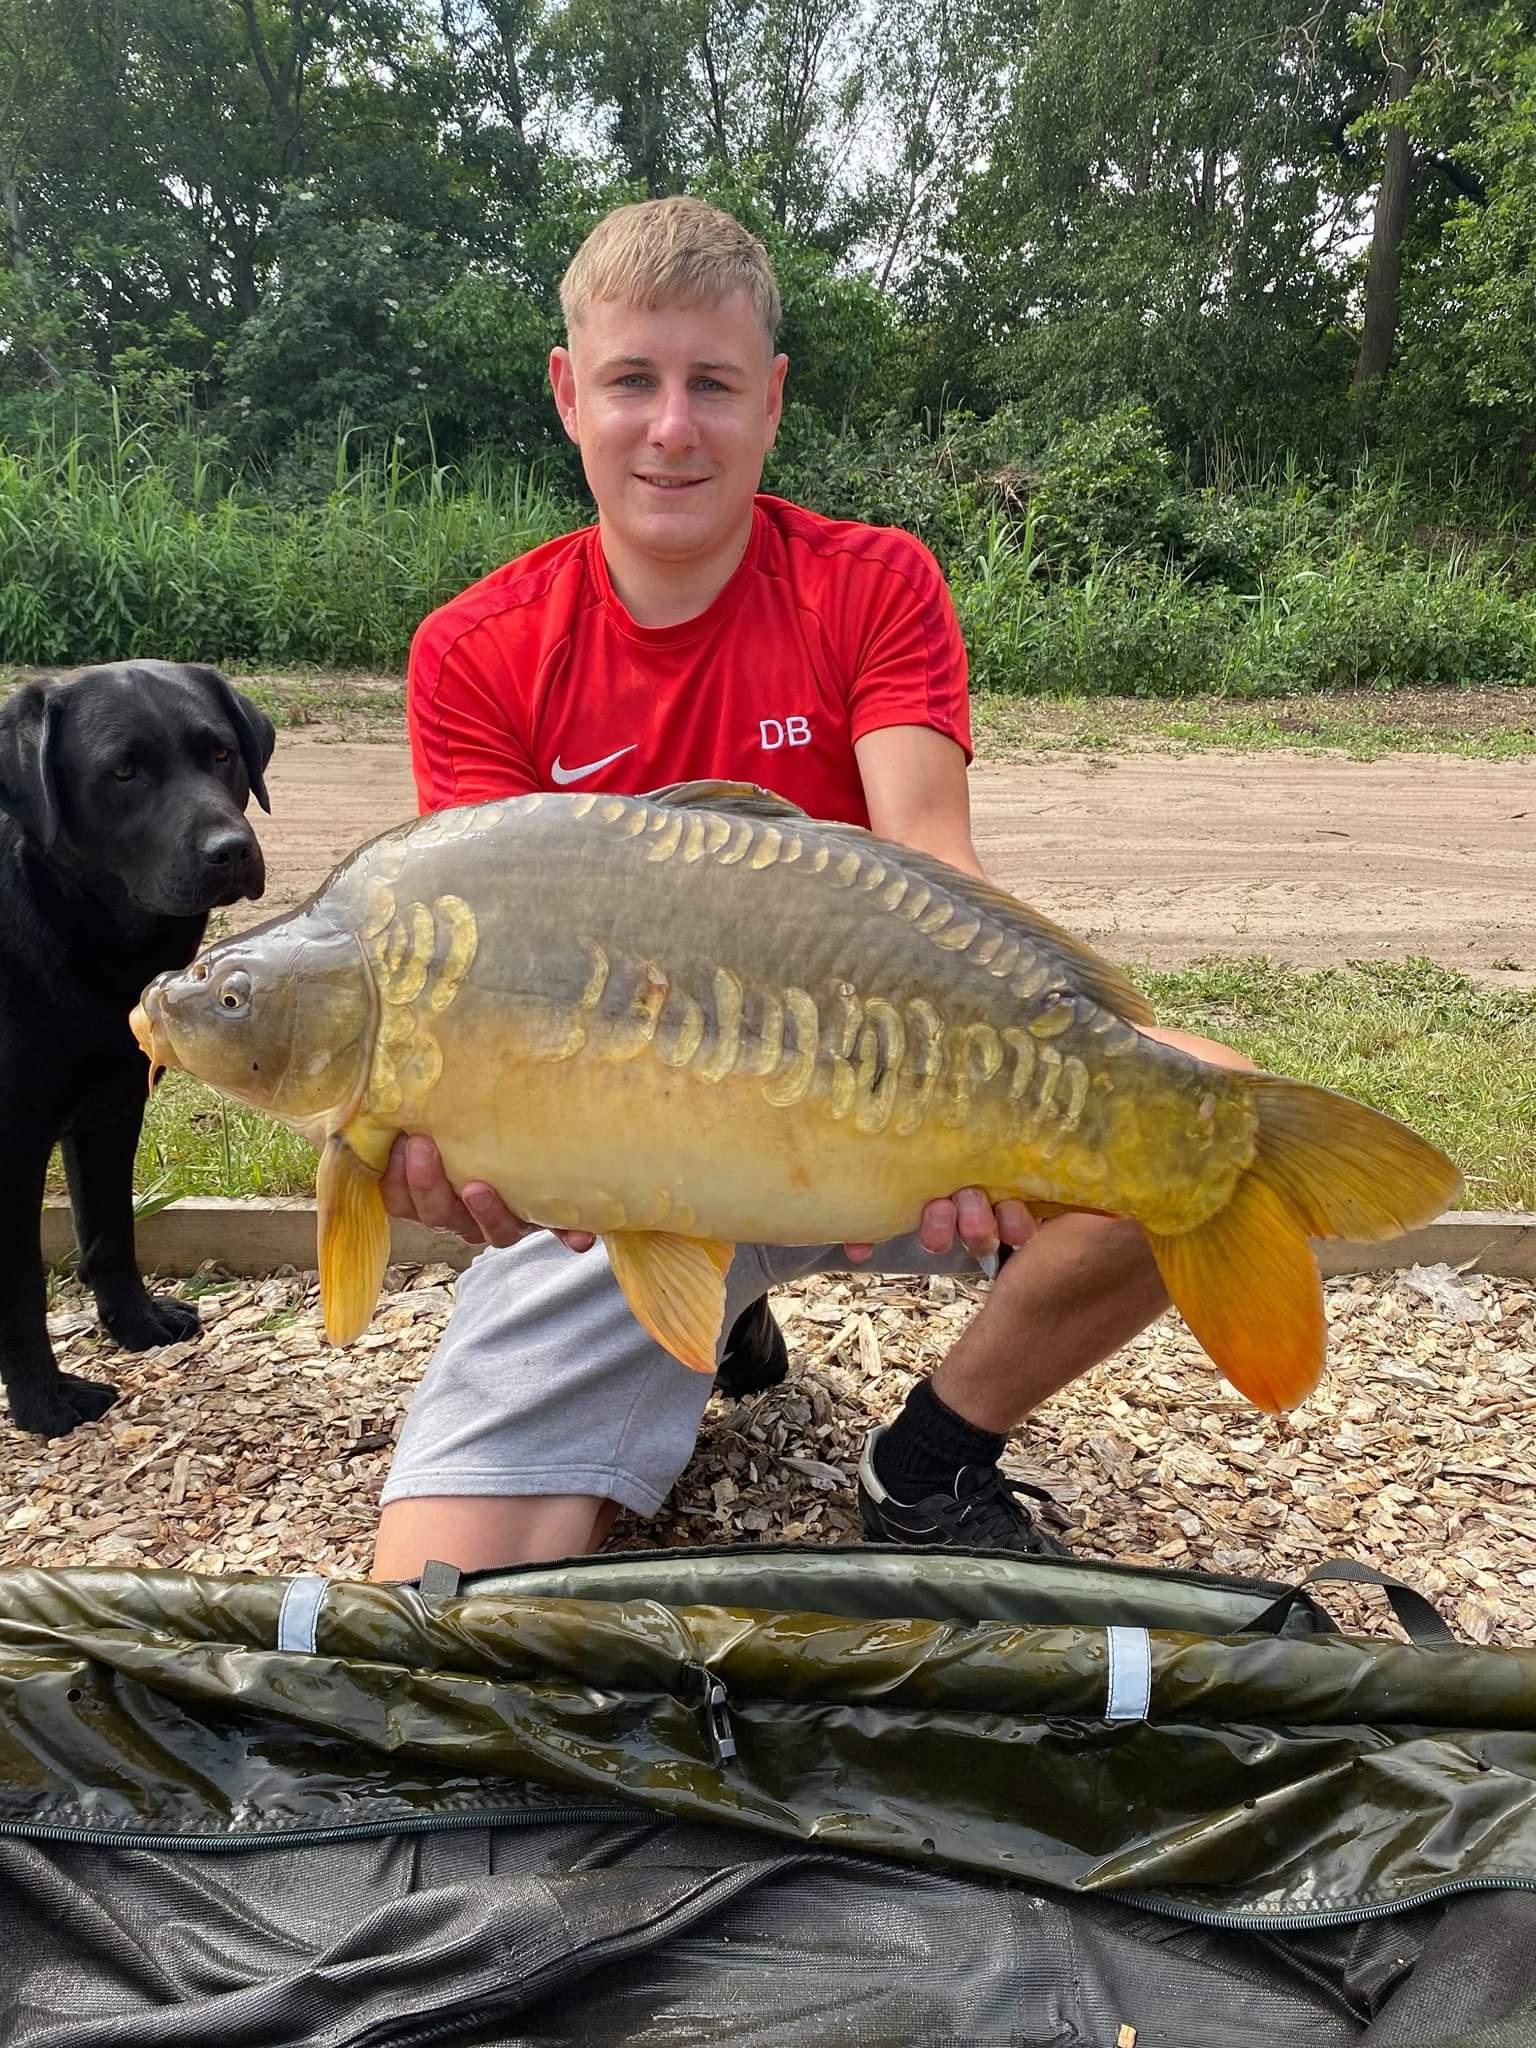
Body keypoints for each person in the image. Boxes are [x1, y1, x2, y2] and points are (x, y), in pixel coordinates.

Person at [370, 195, 1253, 1581]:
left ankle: (932, 1456)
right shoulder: (474, 651)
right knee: (448, 1594)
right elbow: (486, 982)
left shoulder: (871, 583)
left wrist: (997, 1105)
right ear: (568, 394)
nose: (673, 428)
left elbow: (932, 863)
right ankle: (711, 1317)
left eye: (714, 385)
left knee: (1208, 1122)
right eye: (632, 381)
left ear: (772, 400)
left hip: (877, 1103)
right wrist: (472, 1159)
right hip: (625, 1168)